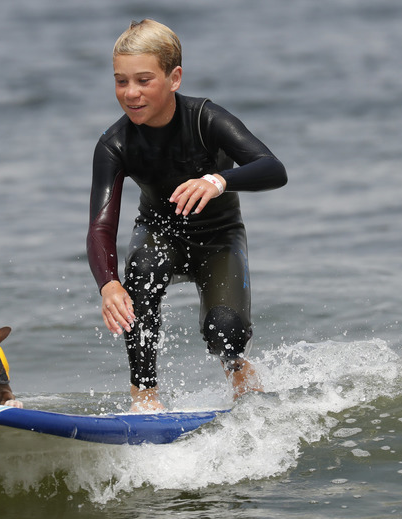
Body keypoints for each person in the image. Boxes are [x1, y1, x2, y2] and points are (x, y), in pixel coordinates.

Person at [86, 19, 288, 412]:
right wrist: (108, 284)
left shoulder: (206, 119)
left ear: (174, 77)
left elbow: (273, 168)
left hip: (220, 238)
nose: (130, 93)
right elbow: (100, 226)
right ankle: (144, 395)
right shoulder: (115, 144)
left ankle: (237, 370)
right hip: (159, 234)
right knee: (140, 273)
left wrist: (218, 180)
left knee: (224, 332)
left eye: (144, 80)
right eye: (120, 81)